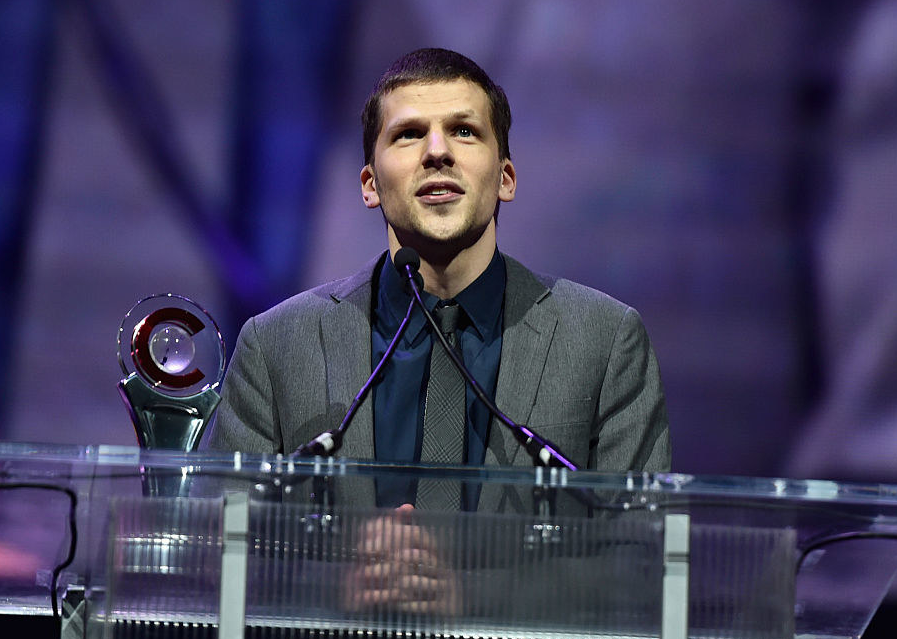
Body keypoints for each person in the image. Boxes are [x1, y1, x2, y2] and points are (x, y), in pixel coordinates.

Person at [207, 47, 670, 485]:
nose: (436, 152)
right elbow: (224, 541)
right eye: (408, 134)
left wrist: (468, 574)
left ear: (505, 178)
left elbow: (636, 549)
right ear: (370, 185)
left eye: (464, 131)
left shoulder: (605, 341)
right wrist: (348, 573)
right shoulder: (274, 347)